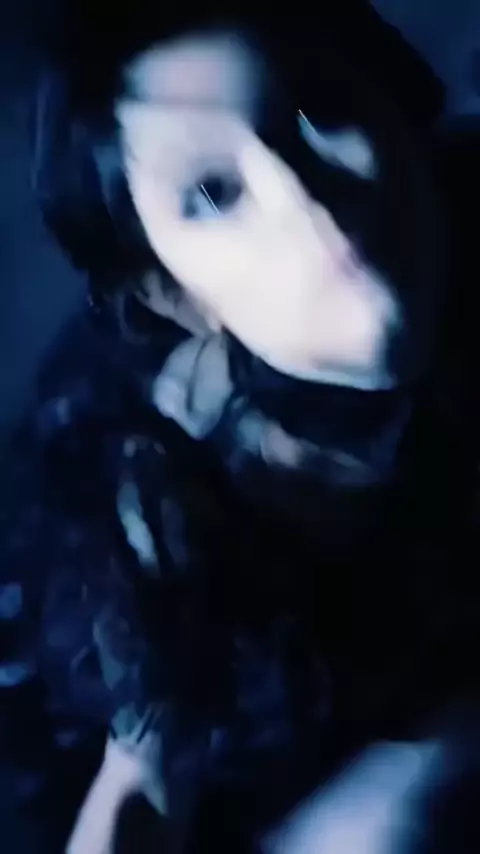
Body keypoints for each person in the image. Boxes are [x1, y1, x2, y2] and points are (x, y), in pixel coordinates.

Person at [2, 3, 479, 852]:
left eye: (320, 111)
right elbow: (139, 795)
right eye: (213, 193)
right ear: (173, 293)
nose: (304, 200)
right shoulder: (158, 496)